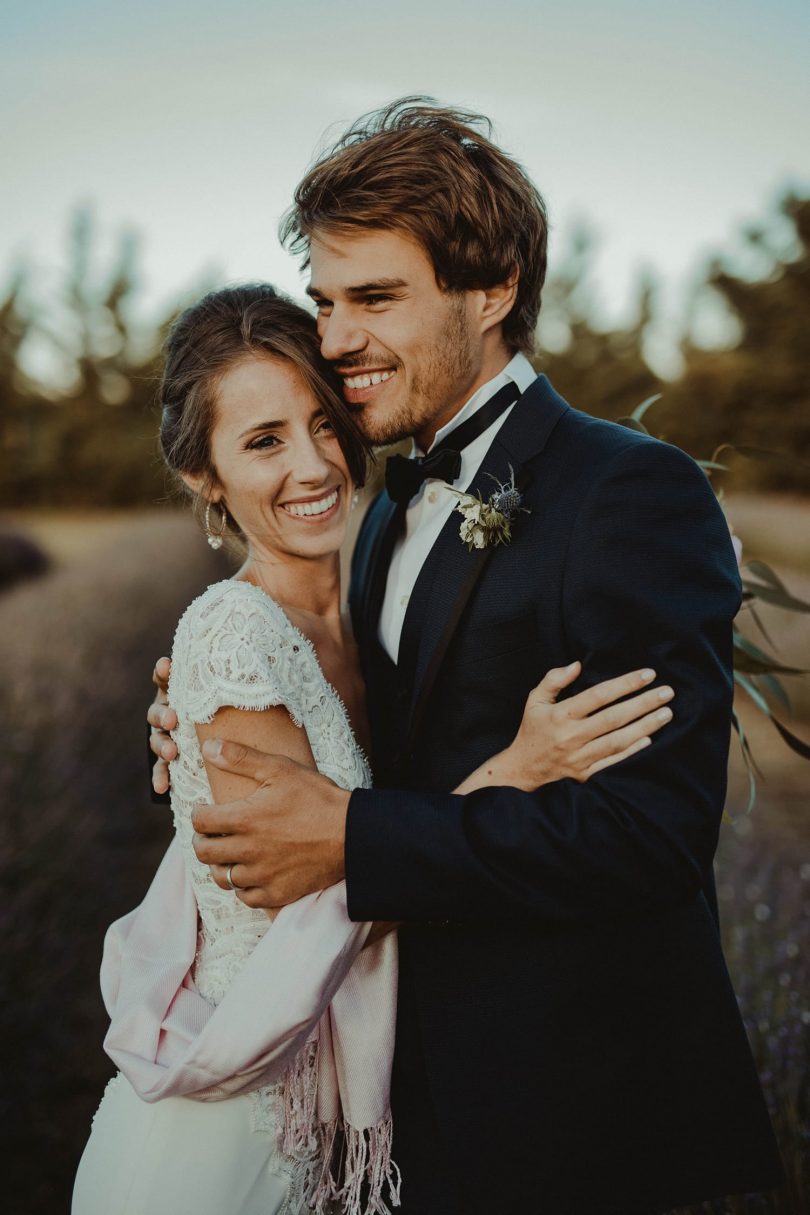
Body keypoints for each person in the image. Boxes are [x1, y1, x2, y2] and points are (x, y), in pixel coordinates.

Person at [148, 104, 783, 1213]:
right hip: (406, 1103)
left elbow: (649, 838)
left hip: (583, 1122)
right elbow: (373, 740)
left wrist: (349, 835)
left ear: (490, 292)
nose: (336, 337)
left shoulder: (630, 492)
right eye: (327, 302)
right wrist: (214, 723)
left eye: (376, 299)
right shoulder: (380, 516)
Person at [74, 284, 672, 1215]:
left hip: (354, 1111)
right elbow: (317, 895)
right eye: (263, 440)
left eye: (322, 422)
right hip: (238, 1129)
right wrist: (512, 772)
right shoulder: (234, 636)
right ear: (204, 475)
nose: (314, 466)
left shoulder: (365, 583)